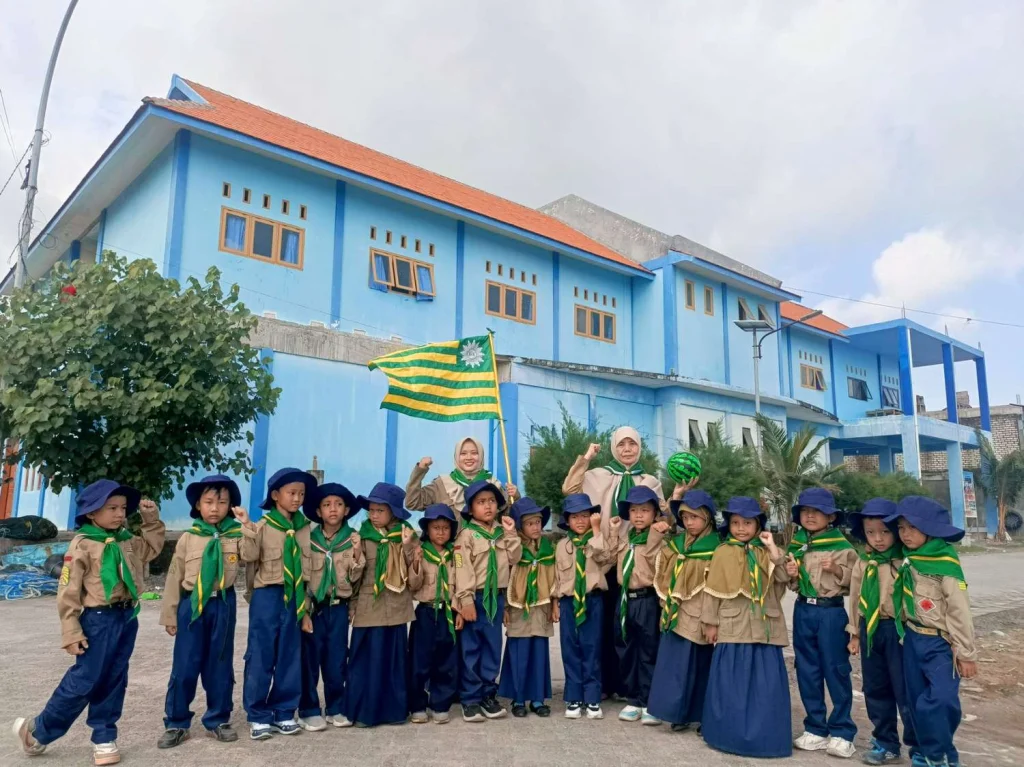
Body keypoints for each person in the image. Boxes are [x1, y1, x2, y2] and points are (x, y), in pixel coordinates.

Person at [14, 480, 165, 766]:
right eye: (111, 508)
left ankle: (104, 736)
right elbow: (68, 591)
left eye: (122, 508)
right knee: (85, 679)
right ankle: (40, 731)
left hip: (126, 617)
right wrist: (71, 629)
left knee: (115, 678)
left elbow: (150, 549)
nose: (120, 514)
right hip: (97, 619)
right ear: (92, 513)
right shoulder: (82, 544)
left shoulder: (125, 539)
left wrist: (150, 520)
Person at [561, 426, 683, 697]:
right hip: (602, 555)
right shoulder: (597, 475)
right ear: (613, 447)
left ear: (640, 447)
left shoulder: (649, 481)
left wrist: (675, 500)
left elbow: (664, 517)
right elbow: (569, 489)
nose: (627, 449)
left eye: (632, 444)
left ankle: (629, 685)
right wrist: (587, 458)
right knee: (604, 623)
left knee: (629, 625)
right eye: (621, 444)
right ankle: (604, 684)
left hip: (635, 557)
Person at [885, 496, 977, 767]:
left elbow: (959, 613)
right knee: (914, 701)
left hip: (939, 644)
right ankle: (927, 754)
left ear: (930, 530)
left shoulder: (945, 565)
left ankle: (940, 752)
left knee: (940, 700)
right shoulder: (910, 560)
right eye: (901, 528)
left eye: (912, 527)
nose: (905, 534)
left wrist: (966, 654)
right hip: (912, 639)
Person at [701, 496, 792, 759]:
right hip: (732, 625)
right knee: (731, 684)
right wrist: (710, 623)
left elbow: (786, 577)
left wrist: (773, 548)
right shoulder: (721, 552)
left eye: (748, 523)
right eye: (736, 523)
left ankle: (766, 738)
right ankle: (725, 734)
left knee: (766, 687)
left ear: (758, 525)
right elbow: (712, 591)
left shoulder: (767, 553)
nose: (741, 528)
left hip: (765, 626)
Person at [158, 474, 243, 749]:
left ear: (230, 506)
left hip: (223, 604)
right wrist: (170, 615)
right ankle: (176, 722)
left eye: (222, 502)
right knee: (185, 665)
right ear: (198, 505)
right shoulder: (187, 538)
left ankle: (218, 719)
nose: (215, 508)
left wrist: (247, 525)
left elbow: (253, 556)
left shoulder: (236, 536)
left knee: (219, 665)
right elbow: (174, 577)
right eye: (209, 502)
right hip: (192, 605)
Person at [236, 467, 318, 740]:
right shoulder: (261, 527)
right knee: (261, 655)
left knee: (289, 656)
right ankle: (258, 715)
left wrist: (305, 607)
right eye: (291, 493)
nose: (297, 499)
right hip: (267, 596)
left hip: (294, 598)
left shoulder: (306, 529)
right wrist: (247, 528)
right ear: (275, 495)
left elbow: (308, 573)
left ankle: (284, 711)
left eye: (301, 494)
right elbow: (248, 558)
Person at [786, 487, 859, 759]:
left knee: (836, 670)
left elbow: (858, 582)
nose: (810, 516)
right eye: (805, 511)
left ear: (831, 517)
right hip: (804, 609)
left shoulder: (843, 548)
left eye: (817, 511)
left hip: (831, 613)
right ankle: (815, 728)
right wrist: (791, 574)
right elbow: (792, 583)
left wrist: (836, 569)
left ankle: (842, 732)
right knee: (806, 669)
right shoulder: (798, 545)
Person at [847, 498, 918, 766]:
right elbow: (855, 598)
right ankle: (885, 742)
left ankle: (918, 745)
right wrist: (854, 633)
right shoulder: (865, 562)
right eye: (870, 532)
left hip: (900, 630)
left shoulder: (907, 561)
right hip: (870, 629)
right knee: (875, 687)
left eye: (885, 531)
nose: (878, 539)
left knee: (905, 689)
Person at [345, 482, 419, 727]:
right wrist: (356, 554)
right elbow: (354, 577)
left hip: (397, 608)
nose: (374, 515)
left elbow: (415, 578)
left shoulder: (407, 536)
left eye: (380, 511)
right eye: (372, 510)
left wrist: (408, 549)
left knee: (393, 661)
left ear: (394, 513)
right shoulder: (362, 536)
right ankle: (365, 712)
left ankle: (395, 711)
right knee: (366, 661)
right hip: (369, 606)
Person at [647, 489, 719, 732]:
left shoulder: (717, 548)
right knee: (676, 666)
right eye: (686, 518)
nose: (690, 522)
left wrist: (712, 620)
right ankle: (678, 713)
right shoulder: (676, 545)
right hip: (674, 613)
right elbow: (660, 569)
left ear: (707, 518)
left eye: (695, 517)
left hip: (701, 614)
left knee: (700, 666)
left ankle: (701, 715)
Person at [453, 480, 520, 722]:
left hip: (497, 597)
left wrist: (512, 533)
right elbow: (461, 568)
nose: (488, 506)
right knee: (471, 649)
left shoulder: (503, 533)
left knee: (492, 648)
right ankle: (470, 699)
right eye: (481, 502)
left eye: (492, 501)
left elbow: (515, 557)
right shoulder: (466, 535)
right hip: (476, 598)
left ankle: (487, 695)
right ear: (471, 509)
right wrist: (465, 600)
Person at [298, 482, 363, 731]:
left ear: (346, 510)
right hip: (314, 608)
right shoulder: (309, 540)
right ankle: (309, 708)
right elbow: (303, 579)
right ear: (318, 511)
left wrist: (357, 554)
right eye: (327, 505)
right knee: (310, 658)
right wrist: (303, 611)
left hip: (339, 608)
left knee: (337, 660)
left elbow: (357, 579)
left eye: (338, 504)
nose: (333, 509)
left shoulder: (352, 540)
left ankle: (336, 706)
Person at [610, 486, 671, 724]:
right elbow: (608, 557)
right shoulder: (626, 539)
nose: (638, 515)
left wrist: (664, 524)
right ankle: (632, 699)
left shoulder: (659, 539)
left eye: (645, 510)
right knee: (625, 650)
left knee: (648, 652)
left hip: (647, 601)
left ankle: (649, 701)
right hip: (624, 600)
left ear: (655, 514)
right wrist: (614, 532)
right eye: (634, 510)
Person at [554, 493, 616, 720]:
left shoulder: (596, 541)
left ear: (592, 518)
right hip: (569, 601)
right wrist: (555, 603)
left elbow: (604, 556)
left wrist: (597, 530)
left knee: (592, 648)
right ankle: (573, 696)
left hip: (593, 600)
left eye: (585, 516)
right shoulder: (562, 546)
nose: (580, 521)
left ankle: (592, 697)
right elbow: (556, 577)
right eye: (575, 517)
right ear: (567, 521)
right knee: (570, 649)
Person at [498, 497, 557, 717]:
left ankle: (538, 699)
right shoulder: (513, 545)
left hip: (541, 607)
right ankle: (519, 699)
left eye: (538, 522)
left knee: (539, 653)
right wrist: (504, 607)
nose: (536, 527)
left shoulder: (547, 547)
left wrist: (555, 603)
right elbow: (505, 578)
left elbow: (554, 577)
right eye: (530, 523)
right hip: (518, 607)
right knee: (519, 652)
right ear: (520, 526)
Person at [407, 503, 460, 724]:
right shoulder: (421, 552)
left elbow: (459, 583)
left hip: (448, 612)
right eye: (436, 527)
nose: (440, 532)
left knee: (446, 661)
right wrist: (417, 563)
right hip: (425, 614)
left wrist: (459, 609)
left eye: (445, 528)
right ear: (427, 530)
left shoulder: (455, 555)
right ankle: (418, 704)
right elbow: (413, 585)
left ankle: (440, 703)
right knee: (420, 661)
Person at [406, 436, 518, 514]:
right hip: (454, 547)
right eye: (463, 453)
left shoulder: (492, 484)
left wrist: (515, 497)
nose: (469, 457)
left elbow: (507, 517)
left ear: (481, 456)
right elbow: (412, 503)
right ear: (456, 457)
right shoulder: (442, 484)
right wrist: (420, 469)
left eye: (474, 453)